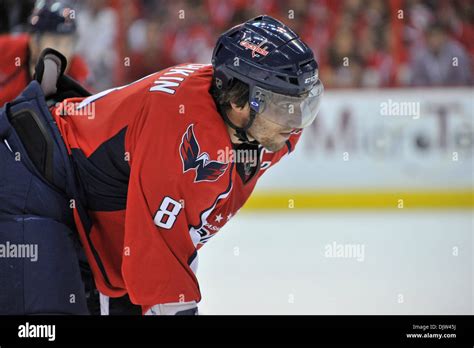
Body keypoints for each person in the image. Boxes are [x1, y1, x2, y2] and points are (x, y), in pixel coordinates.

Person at [0, 15, 323, 315]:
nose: (295, 123)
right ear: (238, 100)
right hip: (27, 178)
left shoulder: (262, 131)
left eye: (302, 104)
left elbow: (169, 246)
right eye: (283, 107)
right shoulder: (181, 135)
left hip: (82, 207)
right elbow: (157, 259)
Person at [0, 0, 89, 107]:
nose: (65, 51)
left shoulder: (78, 71)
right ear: (34, 42)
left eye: (70, 43)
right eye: (56, 42)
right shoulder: (8, 50)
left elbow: (91, 110)